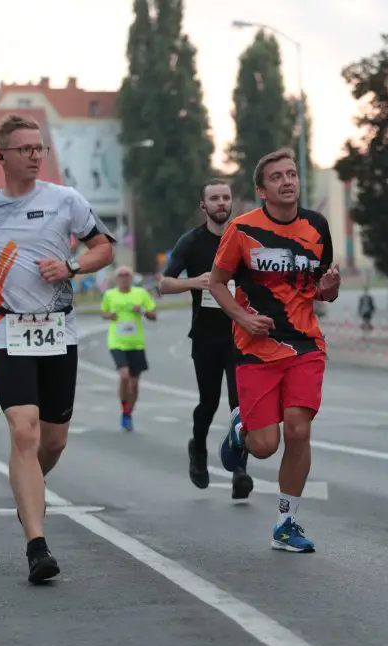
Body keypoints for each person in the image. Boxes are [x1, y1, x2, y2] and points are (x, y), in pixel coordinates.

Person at [0, 113, 115, 584]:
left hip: (58, 331)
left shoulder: (66, 200)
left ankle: (27, 485)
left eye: (39, 148)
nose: (35, 156)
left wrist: (72, 267)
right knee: (23, 431)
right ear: (1, 156)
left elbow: (104, 248)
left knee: (52, 441)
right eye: (25, 149)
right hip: (8, 330)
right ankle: (36, 546)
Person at [210, 147, 341, 553]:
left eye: (292, 174)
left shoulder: (317, 226)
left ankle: (286, 522)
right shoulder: (241, 230)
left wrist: (330, 290)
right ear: (262, 191)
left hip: (305, 344)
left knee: (299, 430)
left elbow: (318, 289)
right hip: (256, 348)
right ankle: (242, 428)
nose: (287, 182)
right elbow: (217, 283)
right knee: (265, 446)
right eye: (277, 177)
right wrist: (243, 318)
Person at [160, 179, 253, 498]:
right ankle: (197, 447)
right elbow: (164, 284)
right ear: (204, 206)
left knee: (240, 405)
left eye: (226, 197)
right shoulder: (191, 242)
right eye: (214, 198)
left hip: (240, 335)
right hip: (205, 337)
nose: (221, 203)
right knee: (209, 403)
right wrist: (196, 282)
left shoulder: (244, 238)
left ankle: (239, 470)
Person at [100, 266, 157, 432]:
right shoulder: (110, 295)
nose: (124, 278)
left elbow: (154, 316)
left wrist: (143, 311)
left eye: (127, 275)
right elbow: (103, 312)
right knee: (124, 376)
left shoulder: (141, 294)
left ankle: (128, 413)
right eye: (121, 276)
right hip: (117, 342)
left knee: (134, 383)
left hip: (136, 344)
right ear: (116, 279)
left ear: (131, 278)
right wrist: (109, 315)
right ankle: (124, 409)